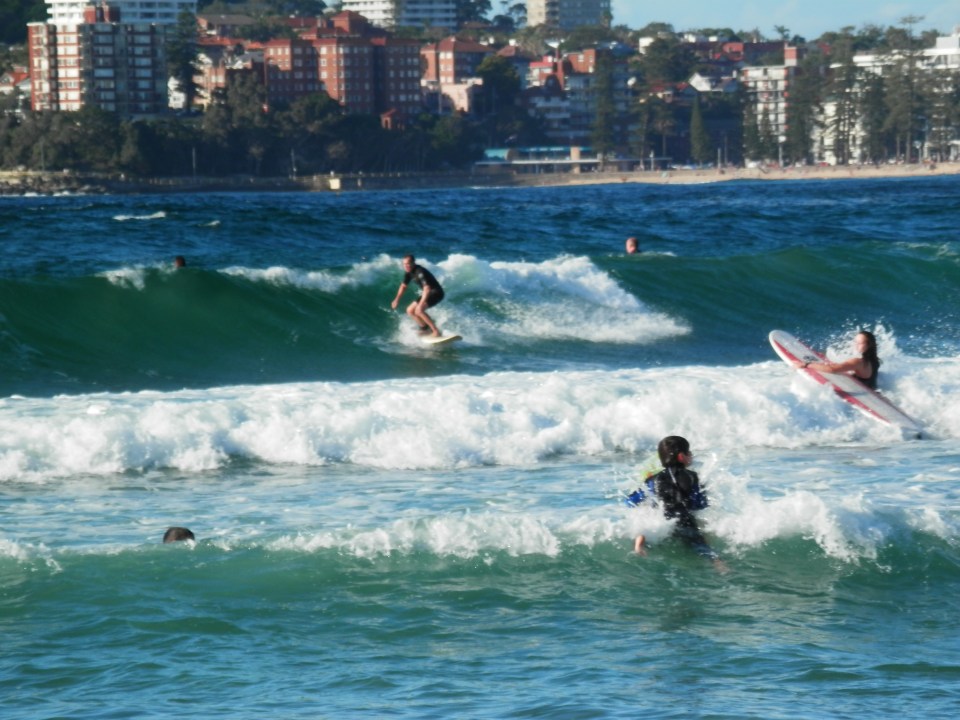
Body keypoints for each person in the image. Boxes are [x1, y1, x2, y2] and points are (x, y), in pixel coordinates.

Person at [629, 436, 724, 569]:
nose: (691, 455)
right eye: (688, 452)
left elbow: (631, 501)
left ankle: (640, 545)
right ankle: (719, 565)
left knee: (647, 524)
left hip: (662, 523)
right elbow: (700, 504)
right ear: (681, 457)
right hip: (685, 522)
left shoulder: (652, 479)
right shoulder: (693, 476)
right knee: (703, 546)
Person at [798, 330, 880, 389]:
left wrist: (807, 364)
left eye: (860, 343)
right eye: (855, 342)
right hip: (871, 390)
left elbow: (832, 370)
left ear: (869, 345)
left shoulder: (859, 362)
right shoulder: (875, 361)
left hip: (860, 396)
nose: (856, 345)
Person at [390, 254, 445, 337]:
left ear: (413, 263)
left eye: (408, 264)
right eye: (404, 264)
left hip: (436, 293)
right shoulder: (409, 272)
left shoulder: (420, 272)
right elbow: (403, 286)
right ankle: (425, 328)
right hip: (428, 293)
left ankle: (436, 331)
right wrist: (396, 299)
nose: (406, 266)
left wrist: (421, 304)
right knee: (409, 310)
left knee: (419, 310)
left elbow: (427, 288)